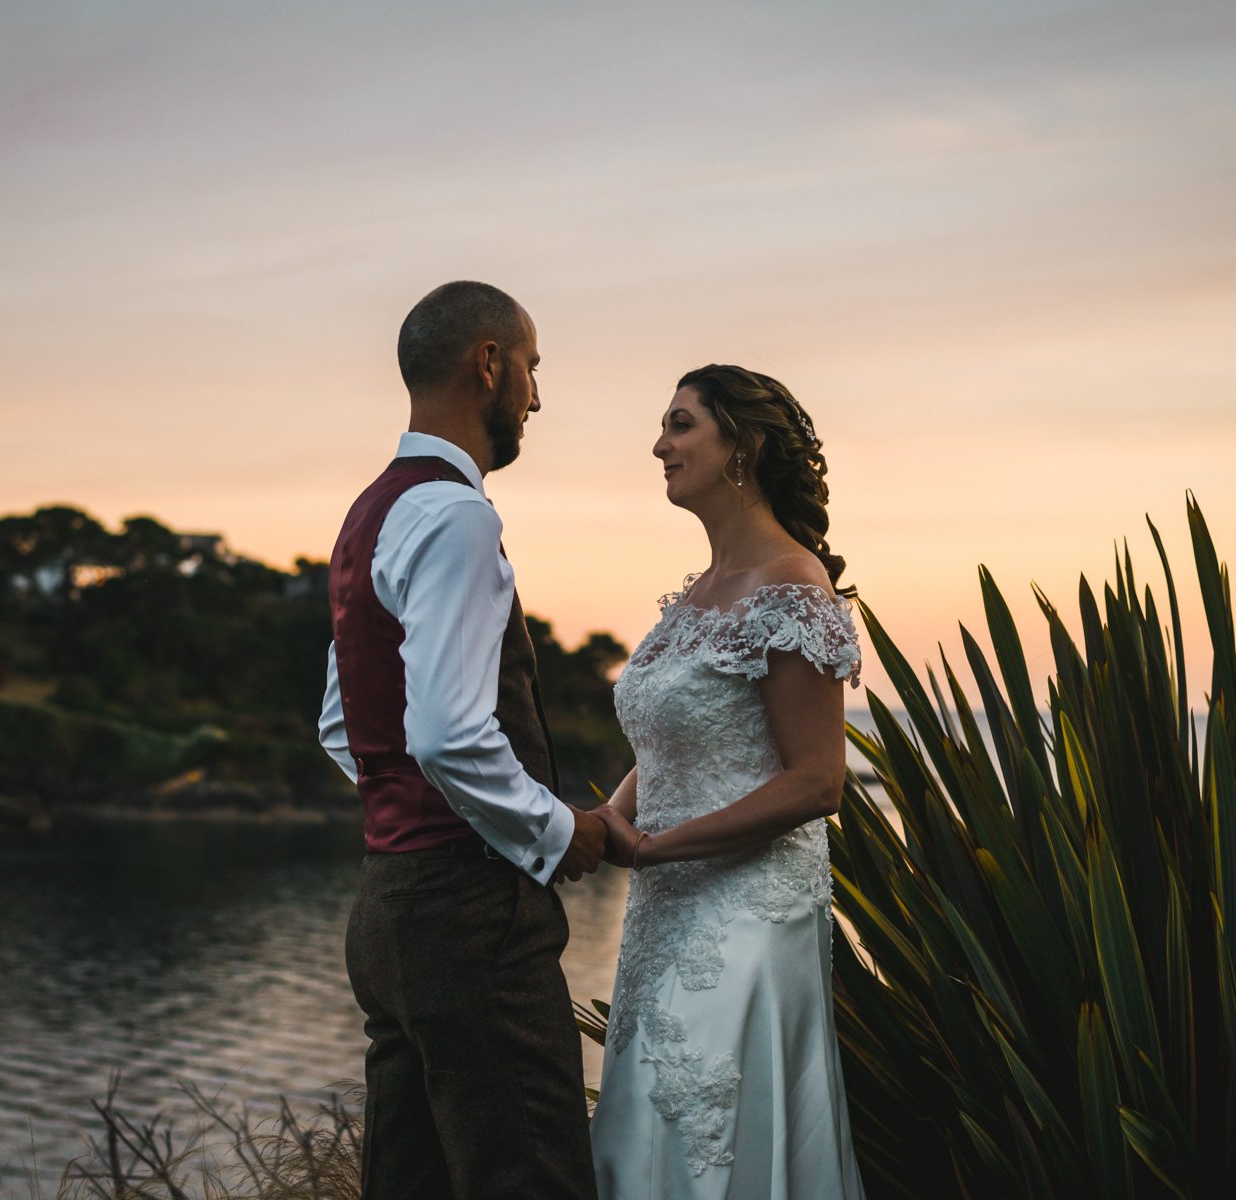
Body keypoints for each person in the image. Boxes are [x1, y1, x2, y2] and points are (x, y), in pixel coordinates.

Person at [318, 281, 606, 1200]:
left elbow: (342, 724)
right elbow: (445, 734)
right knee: (533, 1179)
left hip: (387, 910)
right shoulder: (455, 514)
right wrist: (560, 832)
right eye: (530, 368)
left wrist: (403, 810)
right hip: (473, 916)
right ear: (489, 363)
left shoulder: (370, 512)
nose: (535, 397)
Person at [586, 364, 867, 1198]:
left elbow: (818, 782)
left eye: (680, 425)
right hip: (663, 913)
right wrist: (605, 821)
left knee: (706, 1126)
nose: (658, 444)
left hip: (745, 917)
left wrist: (656, 849)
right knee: (646, 1126)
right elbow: (675, 740)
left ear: (741, 445)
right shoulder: (696, 598)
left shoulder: (791, 586)